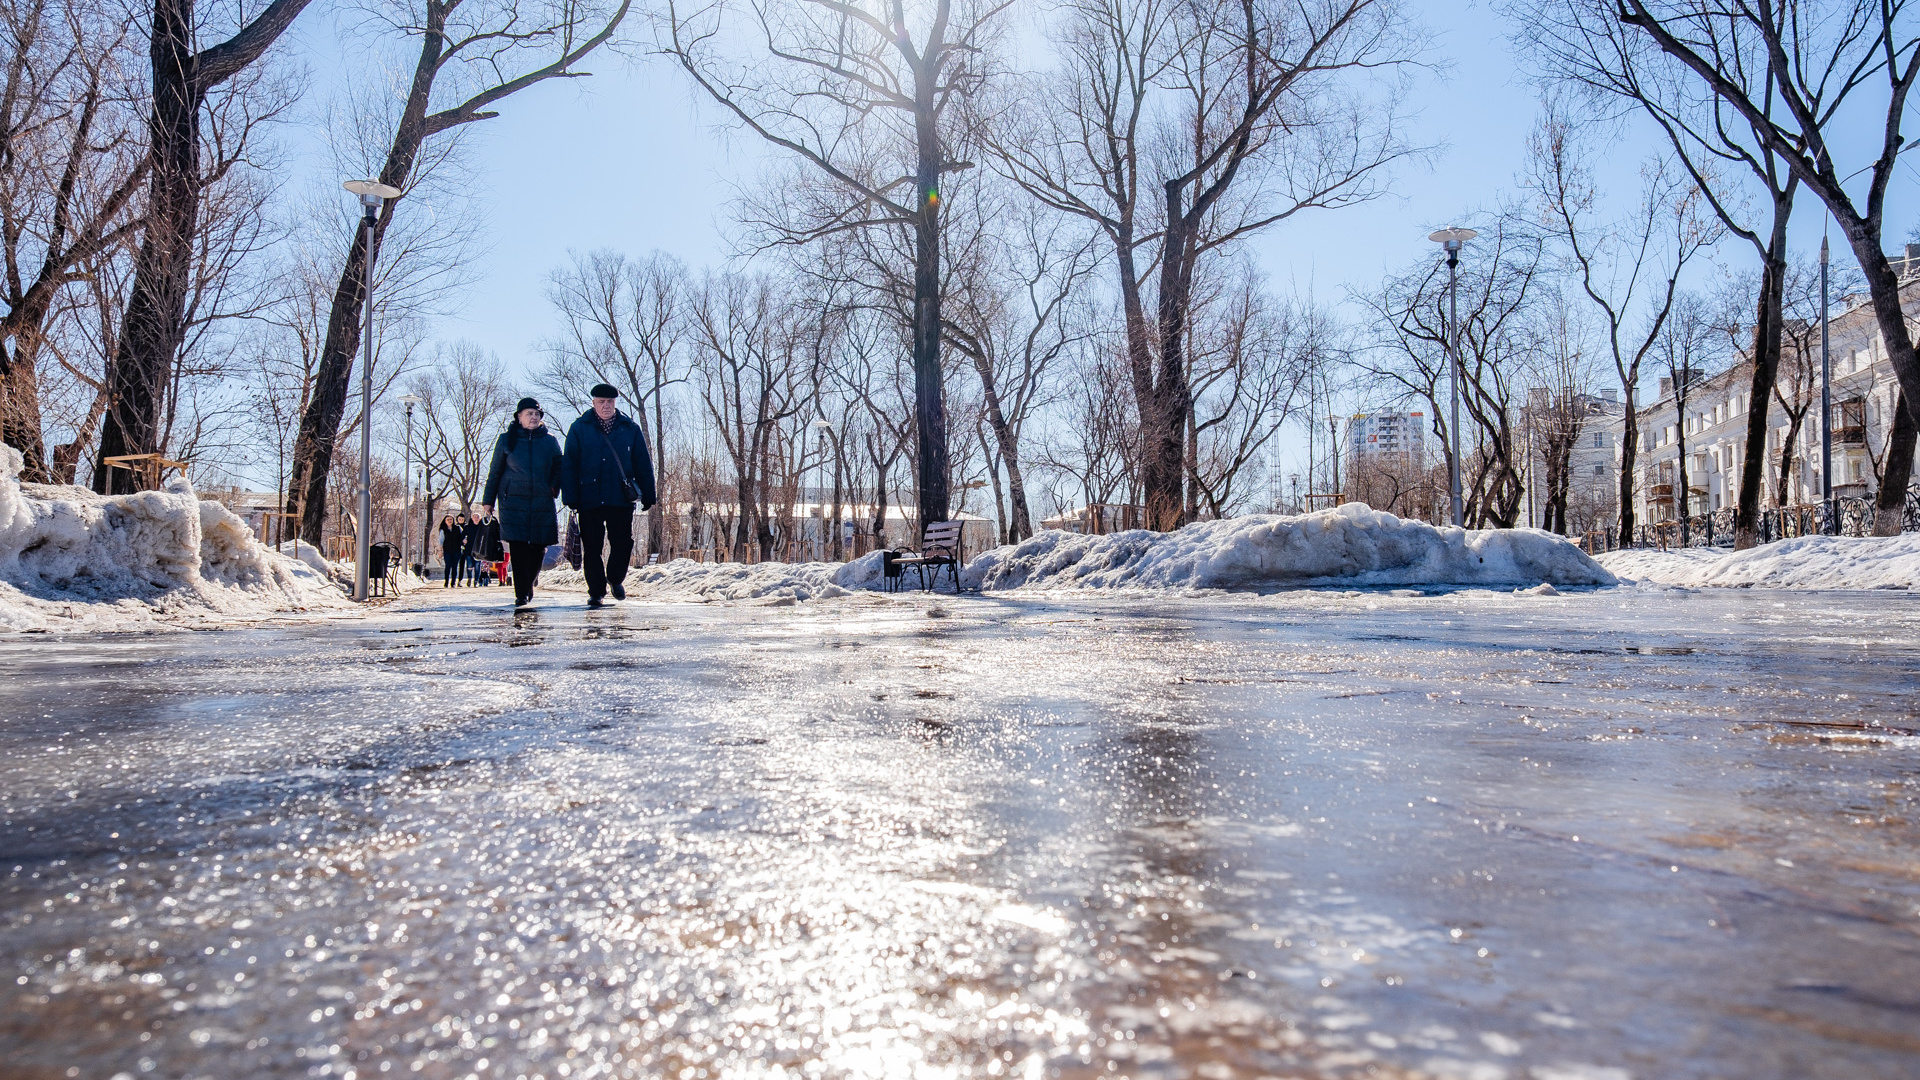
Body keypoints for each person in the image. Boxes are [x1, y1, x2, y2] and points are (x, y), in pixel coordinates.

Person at [562, 383, 657, 608]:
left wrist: (649, 494)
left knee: (623, 542)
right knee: (592, 547)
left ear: (615, 403)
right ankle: (596, 591)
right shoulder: (579, 428)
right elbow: (569, 465)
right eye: (601, 402)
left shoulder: (629, 428)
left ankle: (615, 578)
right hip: (589, 497)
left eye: (610, 402)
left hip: (619, 497)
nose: (606, 406)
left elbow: (643, 463)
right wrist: (571, 496)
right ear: (593, 403)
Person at [481, 397, 564, 608]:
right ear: (519, 417)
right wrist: (488, 501)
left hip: (541, 501)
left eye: (537, 414)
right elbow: (495, 471)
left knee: (538, 547)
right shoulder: (506, 440)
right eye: (529, 414)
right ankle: (521, 593)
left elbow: (559, 467)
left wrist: (553, 487)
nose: (533, 417)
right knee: (518, 547)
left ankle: (528, 584)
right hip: (512, 501)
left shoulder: (549, 440)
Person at [437, 514, 464, 587]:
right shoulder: (443, 530)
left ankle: (453, 582)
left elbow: (463, 537)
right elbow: (441, 541)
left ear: (453, 520)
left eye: (451, 519)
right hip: (447, 550)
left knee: (455, 567)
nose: (449, 521)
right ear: (445, 521)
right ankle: (446, 582)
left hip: (457, 550)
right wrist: (440, 550)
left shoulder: (458, 528)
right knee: (448, 566)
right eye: (448, 520)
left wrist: (464, 540)